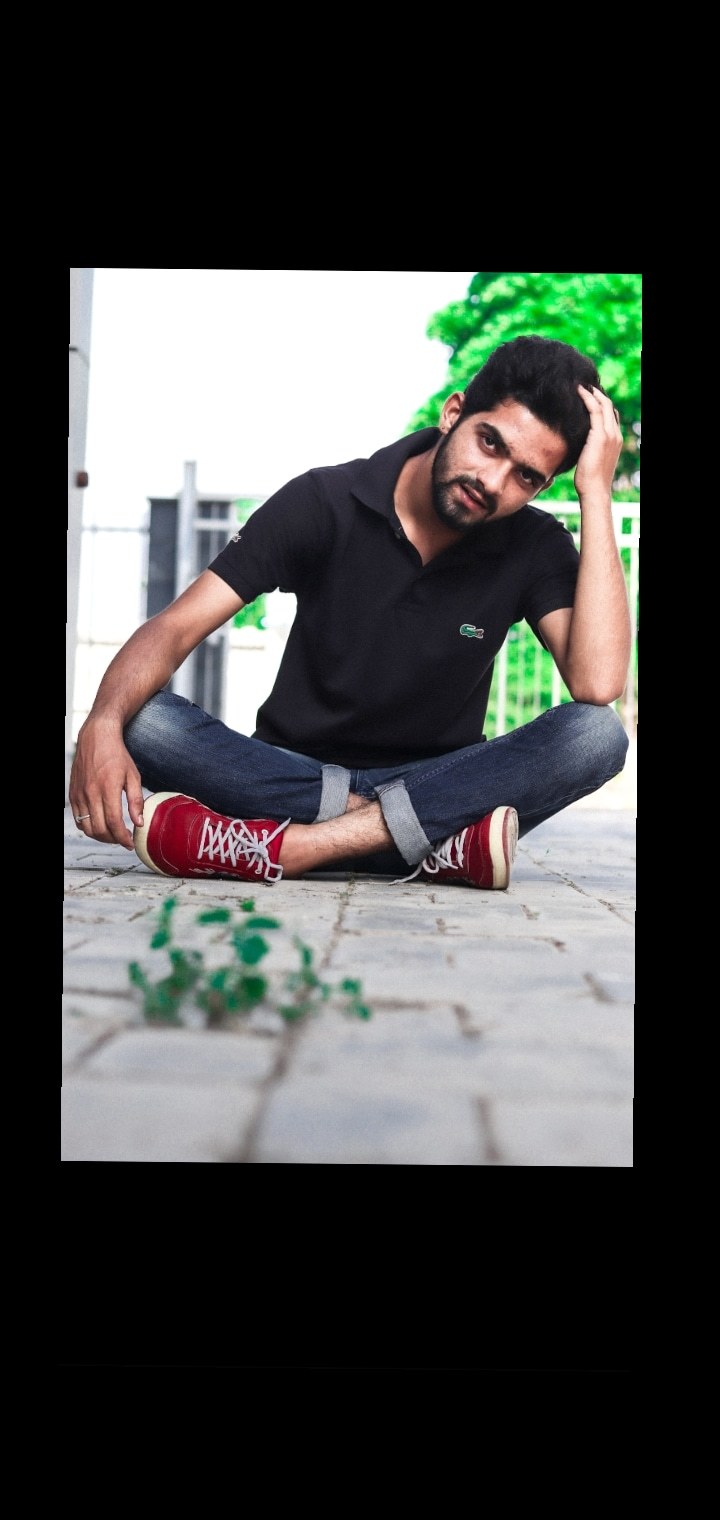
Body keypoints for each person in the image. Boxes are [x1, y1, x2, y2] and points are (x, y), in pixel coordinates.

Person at [69, 335, 632, 891]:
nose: (492, 481)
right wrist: (102, 722)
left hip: (435, 775)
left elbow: (597, 683)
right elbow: (175, 627)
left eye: (526, 477)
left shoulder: (532, 544)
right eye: (489, 443)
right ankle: (435, 846)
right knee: (143, 721)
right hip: (296, 771)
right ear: (453, 413)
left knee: (596, 735)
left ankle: (295, 848)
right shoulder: (325, 501)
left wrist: (597, 493)